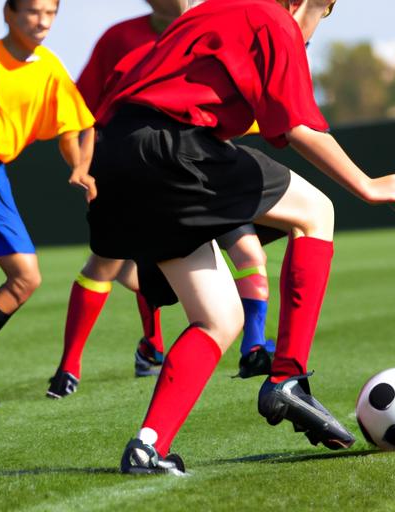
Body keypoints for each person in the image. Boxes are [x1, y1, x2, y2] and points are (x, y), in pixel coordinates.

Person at [87, 0, 395, 474]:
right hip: (174, 147)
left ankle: (147, 446)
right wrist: (366, 183)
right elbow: (297, 126)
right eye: (321, 16)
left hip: (116, 156)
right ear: (301, 3)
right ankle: (288, 377)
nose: (311, 34)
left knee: (218, 317)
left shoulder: (215, 10)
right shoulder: (273, 18)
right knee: (317, 212)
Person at [46, 0, 282, 398]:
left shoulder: (215, 27)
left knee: (248, 253)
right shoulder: (120, 38)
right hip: (135, 161)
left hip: (203, 164)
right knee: (111, 263)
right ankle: (70, 367)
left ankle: (251, 346)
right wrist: (83, 165)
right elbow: (81, 109)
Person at [0, 0, 96, 409]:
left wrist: (80, 167)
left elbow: (74, 126)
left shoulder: (48, 67)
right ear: (8, 14)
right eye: (31, 11)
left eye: (50, 12)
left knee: (26, 279)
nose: (41, 21)